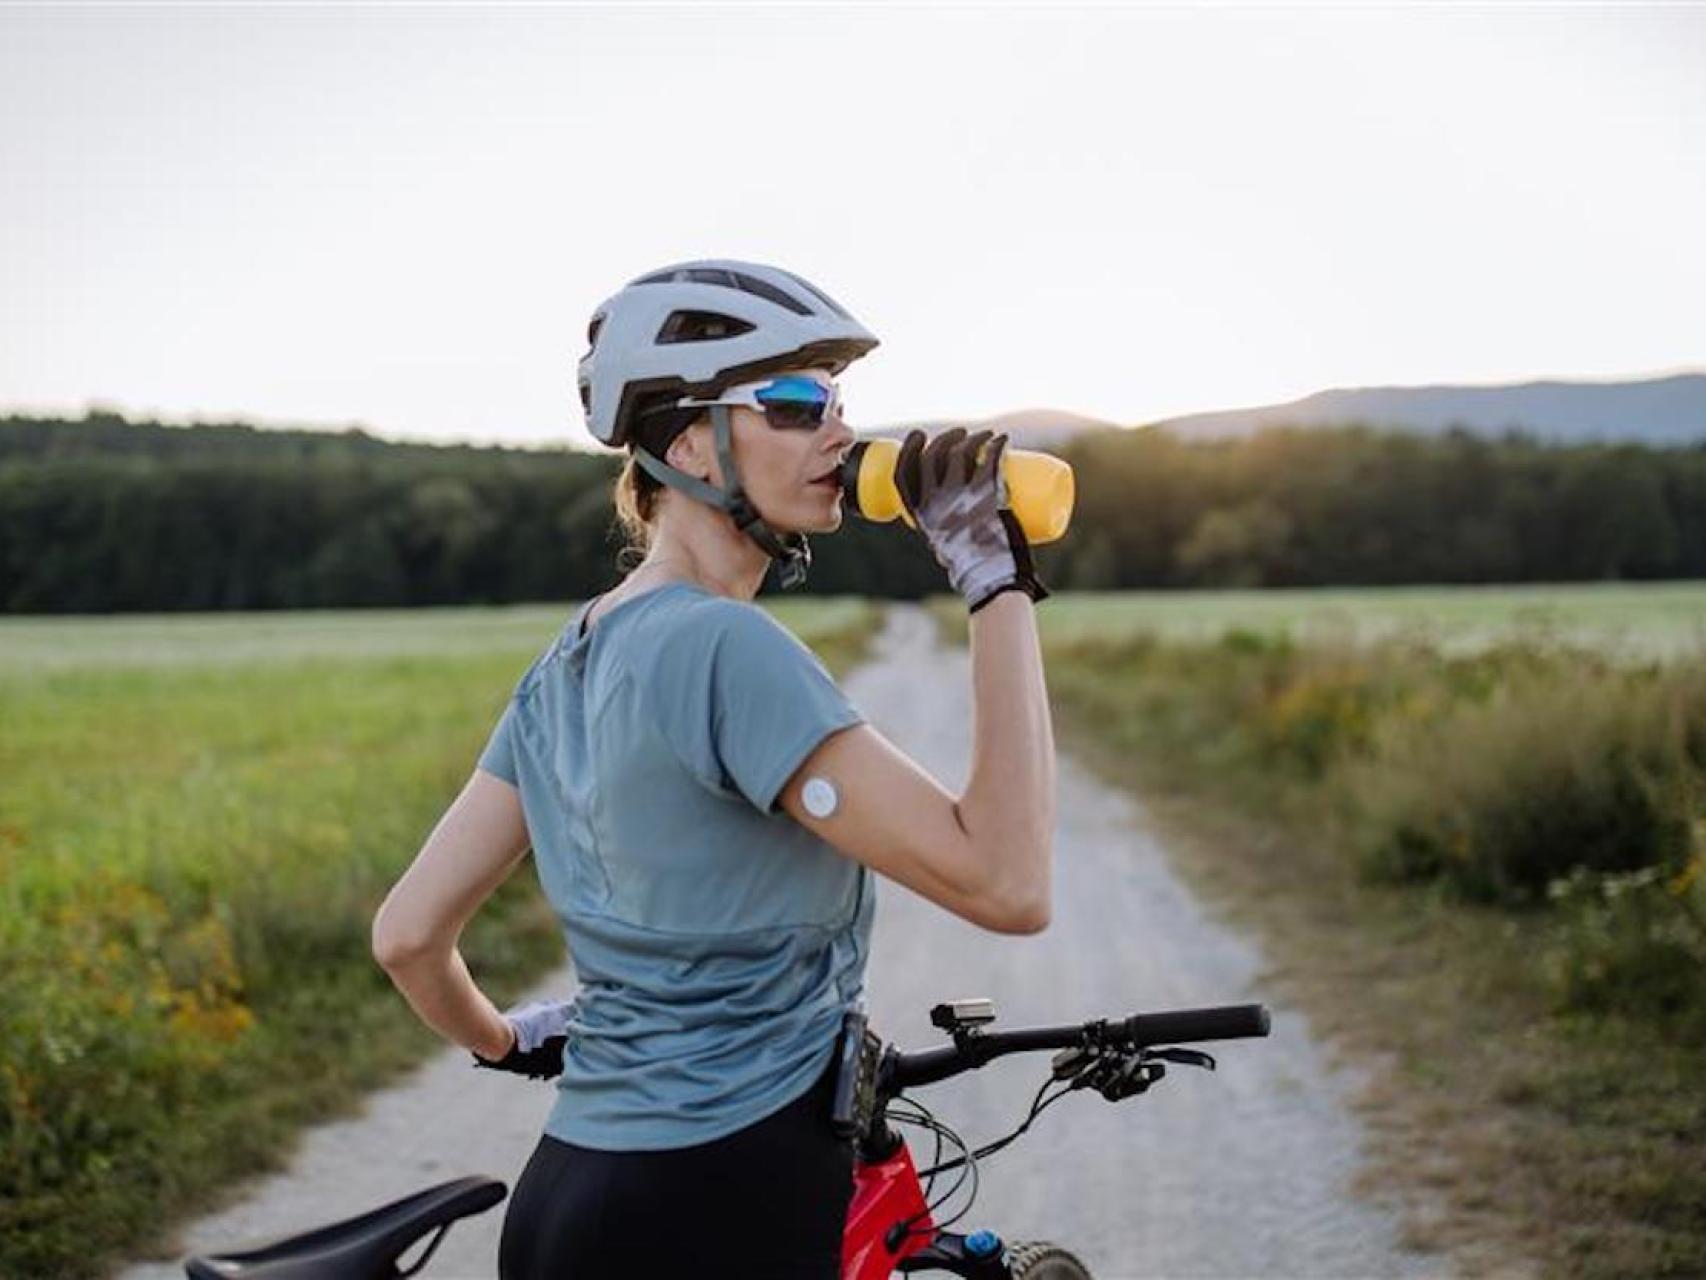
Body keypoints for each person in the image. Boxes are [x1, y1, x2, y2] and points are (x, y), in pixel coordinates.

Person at [369, 259, 1057, 1278]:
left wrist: (511, 1041)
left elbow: (408, 935)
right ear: (687, 442)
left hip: (568, 1198)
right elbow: (1006, 882)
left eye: (837, 402)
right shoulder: (729, 648)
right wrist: (994, 583)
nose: (837, 431)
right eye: (793, 402)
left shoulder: (565, 664)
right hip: (722, 1196)